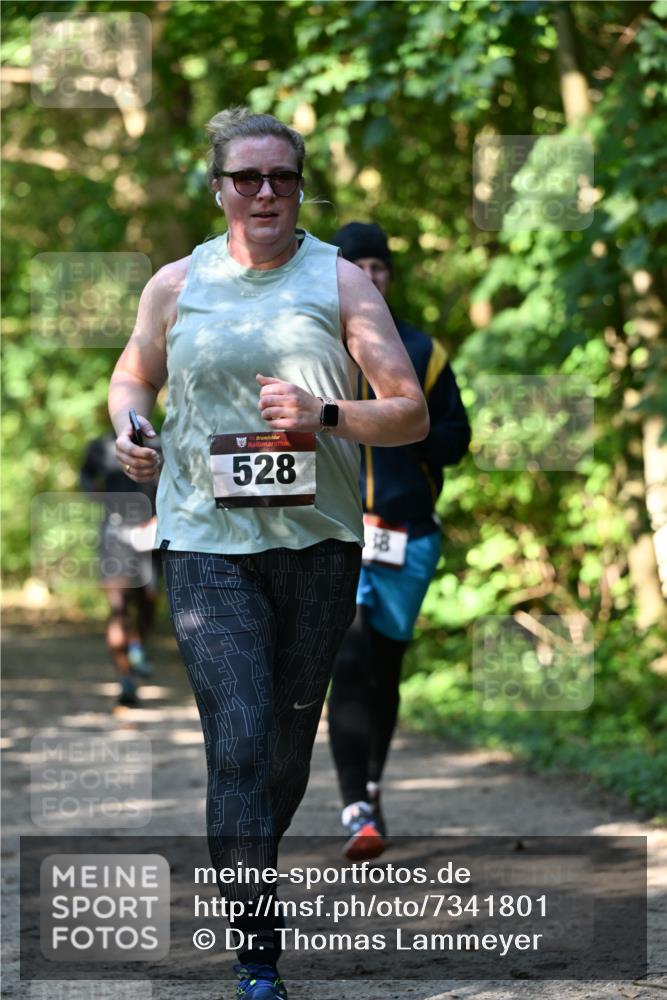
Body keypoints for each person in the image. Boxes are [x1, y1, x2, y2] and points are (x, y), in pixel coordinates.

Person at [108, 108, 429, 1000]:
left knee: (285, 749)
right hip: (205, 541)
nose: (263, 193)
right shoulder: (176, 283)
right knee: (241, 741)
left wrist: (324, 415)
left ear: (299, 187)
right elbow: (135, 371)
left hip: (319, 544)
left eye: (279, 178)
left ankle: (252, 848)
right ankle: (258, 954)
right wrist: (130, 427)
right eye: (244, 178)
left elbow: (409, 412)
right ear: (218, 188)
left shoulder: (340, 283)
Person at [327, 222, 471, 861]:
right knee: (349, 660)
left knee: (385, 672)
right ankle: (355, 807)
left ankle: (373, 790)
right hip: (333, 531)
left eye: (379, 266)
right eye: (358, 265)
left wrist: (401, 426)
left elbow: (457, 440)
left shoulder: (423, 350)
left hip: (408, 535)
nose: (372, 275)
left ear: (389, 274)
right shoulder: (316, 345)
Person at [79, 429, 161, 708]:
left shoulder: (159, 442)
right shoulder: (101, 445)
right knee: (118, 607)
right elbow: (85, 477)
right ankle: (125, 678)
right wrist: (100, 500)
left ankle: (137, 645)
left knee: (148, 602)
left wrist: (158, 518)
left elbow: (174, 486)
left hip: (149, 533)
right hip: (114, 532)